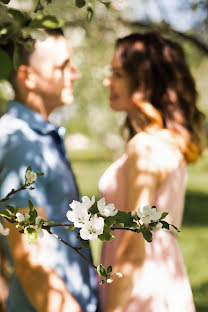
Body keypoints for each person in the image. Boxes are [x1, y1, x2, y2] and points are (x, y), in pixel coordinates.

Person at [98, 32, 205, 312]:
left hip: (140, 294)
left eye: (118, 74)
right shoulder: (168, 141)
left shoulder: (144, 147)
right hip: (167, 282)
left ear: (143, 82)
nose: (107, 81)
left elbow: (134, 245)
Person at [0, 29, 97, 312]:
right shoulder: (22, 144)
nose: (75, 74)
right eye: (63, 66)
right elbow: (31, 264)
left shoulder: (37, 137)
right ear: (27, 76)